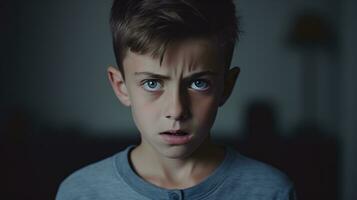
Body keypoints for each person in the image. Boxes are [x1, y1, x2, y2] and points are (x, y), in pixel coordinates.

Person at [56, 0, 296, 199]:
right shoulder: (81, 192)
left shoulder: (270, 191)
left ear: (226, 86)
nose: (176, 110)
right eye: (152, 83)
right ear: (121, 87)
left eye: (198, 83)